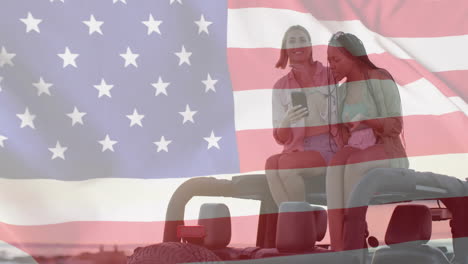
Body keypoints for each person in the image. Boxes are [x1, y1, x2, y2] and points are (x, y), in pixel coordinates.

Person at [325, 31, 409, 251]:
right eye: (329, 61)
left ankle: (354, 241)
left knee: (354, 164)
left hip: (386, 149)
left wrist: (368, 120)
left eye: (336, 60)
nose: (331, 66)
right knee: (334, 168)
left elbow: (395, 126)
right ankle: (338, 248)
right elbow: (339, 137)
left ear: (352, 56)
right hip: (355, 147)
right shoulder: (341, 91)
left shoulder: (379, 77)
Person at [265, 25, 336, 207]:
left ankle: (301, 220)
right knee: (272, 165)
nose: (298, 44)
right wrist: (287, 120)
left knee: (288, 166)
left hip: (327, 147)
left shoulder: (329, 75)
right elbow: (281, 138)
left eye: (303, 40)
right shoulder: (280, 87)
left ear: (310, 45)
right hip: (295, 148)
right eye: (292, 41)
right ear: (286, 48)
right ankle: (289, 220)